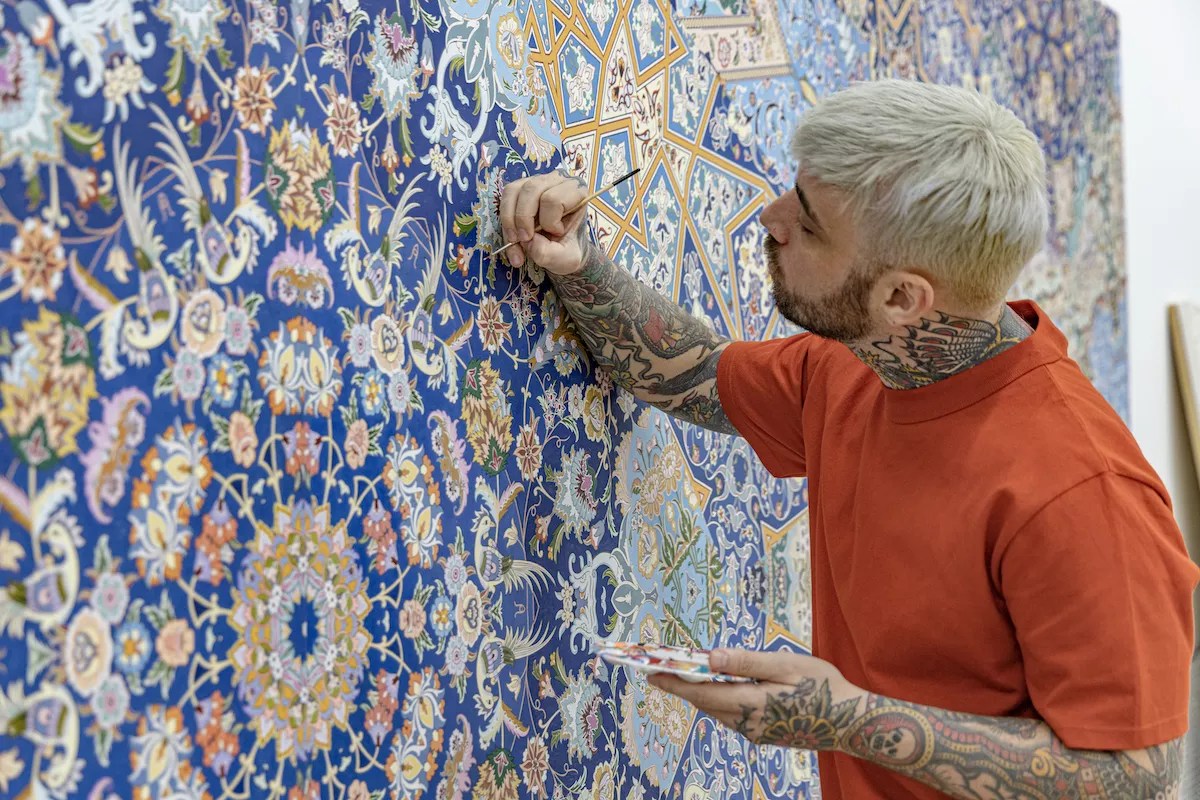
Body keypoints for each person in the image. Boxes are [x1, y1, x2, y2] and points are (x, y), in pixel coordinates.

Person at [498, 79, 1200, 799]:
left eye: (809, 226)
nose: (770, 218)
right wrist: (578, 261)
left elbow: (1135, 777)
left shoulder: (1083, 493)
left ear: (901, 297)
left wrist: (850, 721)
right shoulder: (862, 362)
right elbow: (692, 373)